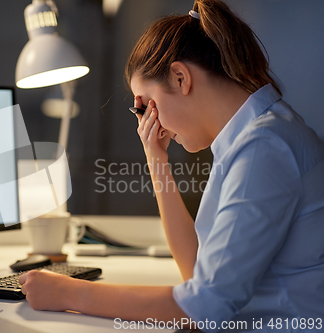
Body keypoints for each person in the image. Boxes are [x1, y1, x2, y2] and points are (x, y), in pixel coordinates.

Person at [19, 0, 324, 331]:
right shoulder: (250, 140)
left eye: (147, 106)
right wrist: (156, 158)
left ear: (180, 78)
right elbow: (196, 272)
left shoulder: (264, 148)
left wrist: (69, 294)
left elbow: (203, 307)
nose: (153, 123)